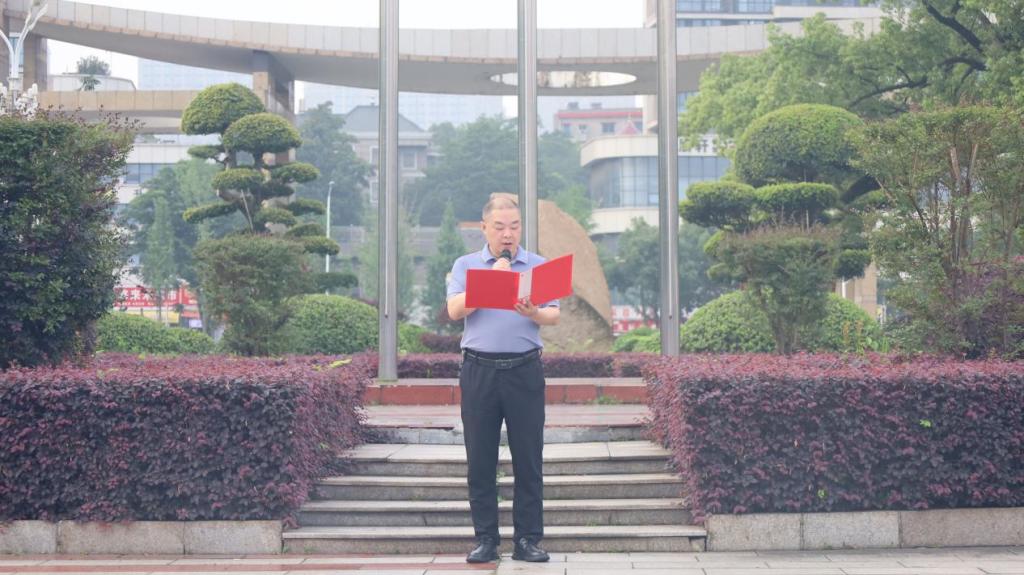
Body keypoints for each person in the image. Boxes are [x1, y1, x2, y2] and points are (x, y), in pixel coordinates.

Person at [446, 195, 560, 563]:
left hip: (525, 370)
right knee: (480, 458)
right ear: (484, 228)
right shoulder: (465, 265)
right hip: (479, 371)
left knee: (529, 458)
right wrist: (489, 283)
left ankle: (528, 540)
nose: (507, 234)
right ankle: (486, 540)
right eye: (499, 227)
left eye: (514, 226)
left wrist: (534, 312)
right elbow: (454, 310)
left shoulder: (537, 265)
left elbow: (553, 315)